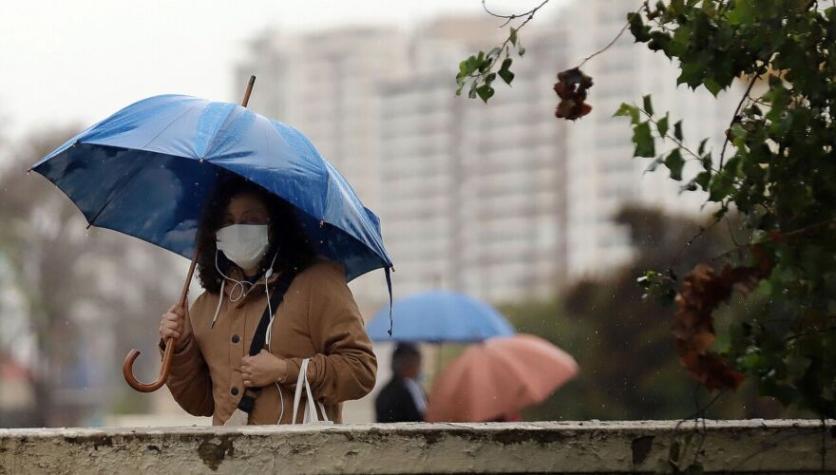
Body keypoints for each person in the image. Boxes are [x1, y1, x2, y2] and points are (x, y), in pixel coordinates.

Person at [158, 177, 376, 425]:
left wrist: (285, 371)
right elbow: (201, 403)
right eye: (228, 222)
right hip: (229, 460)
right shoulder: (206, 305)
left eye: (251, 220)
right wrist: (181, 346)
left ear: (276, 226)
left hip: (301, 458)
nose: (238, 229)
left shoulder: (319, 283)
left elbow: (361, 371)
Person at [375, 343, 426, 422]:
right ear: (407, 364)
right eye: (417, 362)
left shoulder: (414, 386)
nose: (419, 367)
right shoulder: (390, 393)